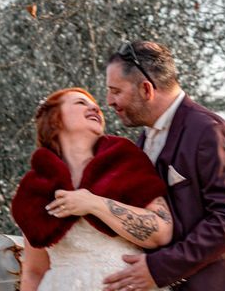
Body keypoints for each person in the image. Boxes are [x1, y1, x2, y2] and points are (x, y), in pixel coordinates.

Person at [103, 41, 225, 291]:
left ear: (146, 89)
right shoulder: (143, 141)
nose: (109, 101)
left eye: (115, 91)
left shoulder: (210, 133)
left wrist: (159, 268)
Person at [11, 87, 173, 291]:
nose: (95, 108)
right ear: (55, 119)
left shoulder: (125, 162)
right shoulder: (35, 187)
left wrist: (93, 203)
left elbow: (162, 232)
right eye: (80, 103)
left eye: (96, 106)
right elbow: (35, 270)